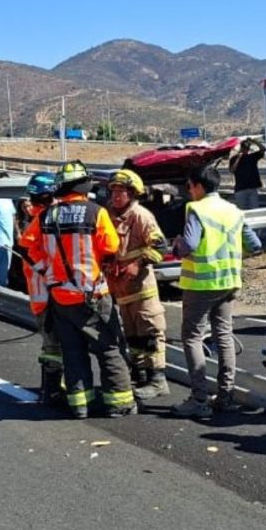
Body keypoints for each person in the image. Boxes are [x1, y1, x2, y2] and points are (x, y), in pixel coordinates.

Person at [21, 160, 136, 419]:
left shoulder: (46, 215)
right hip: (93, 294)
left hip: (60, 296)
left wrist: (47, 272)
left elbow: (27, 247)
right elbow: (110, 247)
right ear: (84, 186)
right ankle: (119, 403)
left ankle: (80, 405)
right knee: (108, 348)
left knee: (72, 352)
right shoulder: (96, 212)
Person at [172, 164, 261, 418]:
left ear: (198, 186)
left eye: (189, 186)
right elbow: (255, 244)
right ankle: (225, 395)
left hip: (202, 283)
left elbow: (189, 244)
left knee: (192, 338)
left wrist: (178, 246)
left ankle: (199, 399)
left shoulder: (197, 209)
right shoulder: (233, 210)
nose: (188, 192)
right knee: (223, 335)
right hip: (229, 282)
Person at [105, 169, 171, 401]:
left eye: (121, 191)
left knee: (150, 334)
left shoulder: (141, 216)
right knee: (133, 338)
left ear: (132, 193)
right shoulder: (109, 216)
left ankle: (157, 380)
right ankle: (140, 375)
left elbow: (160, 248)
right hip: (122, 292)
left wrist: (137, 264)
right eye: (113, 191)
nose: (116, 196)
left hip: (143, 291)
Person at [18, 172, 64, 406]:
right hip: (49, 295)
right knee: (54, 346)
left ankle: (53, 389)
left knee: (53, 346)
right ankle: (52, 392)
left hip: (43, 295)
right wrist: (49, 272)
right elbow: (26, 249)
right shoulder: (42, 219)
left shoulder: (39, 217)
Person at [228, 137, 266, 210]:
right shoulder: (234, 158)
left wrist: (254, 141)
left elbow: (263, 149)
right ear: (241, 148)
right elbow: (232, 170)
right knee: (242, 210)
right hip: (240, 188)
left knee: (255, 210)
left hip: (252, 188)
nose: (245, 150)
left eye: (247, 148)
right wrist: (238, 158)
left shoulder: (252, 157)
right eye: (244, 148)